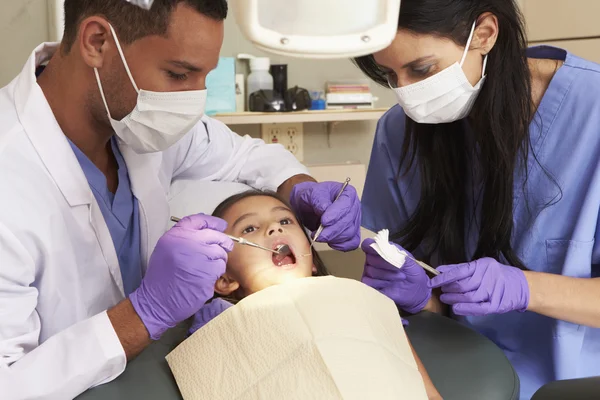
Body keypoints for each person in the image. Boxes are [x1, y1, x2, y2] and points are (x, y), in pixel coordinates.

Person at [0, 1, 361, 398]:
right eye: (178, 74)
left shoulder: (139, 119)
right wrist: (145, 312)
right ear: (97, 42)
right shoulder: (11, 175)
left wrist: (297, 189)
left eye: (205, 77)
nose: (194, 101)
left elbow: (247, 157)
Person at [353, 0, 600, 398]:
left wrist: (525, 288)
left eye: (421, 69)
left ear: (484, 33)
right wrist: (420, 296)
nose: (406, 92)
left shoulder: (593, 112)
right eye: (388, 74)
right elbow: (417, 288)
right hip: (456, 374)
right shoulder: (398, 133)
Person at [187, 190, 442, 400]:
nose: (274, 228)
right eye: (250, 228)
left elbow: (427, 392)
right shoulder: (218, 320)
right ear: (224, 279)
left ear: (312, 262)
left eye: (285, 221)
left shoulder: (360, 301)